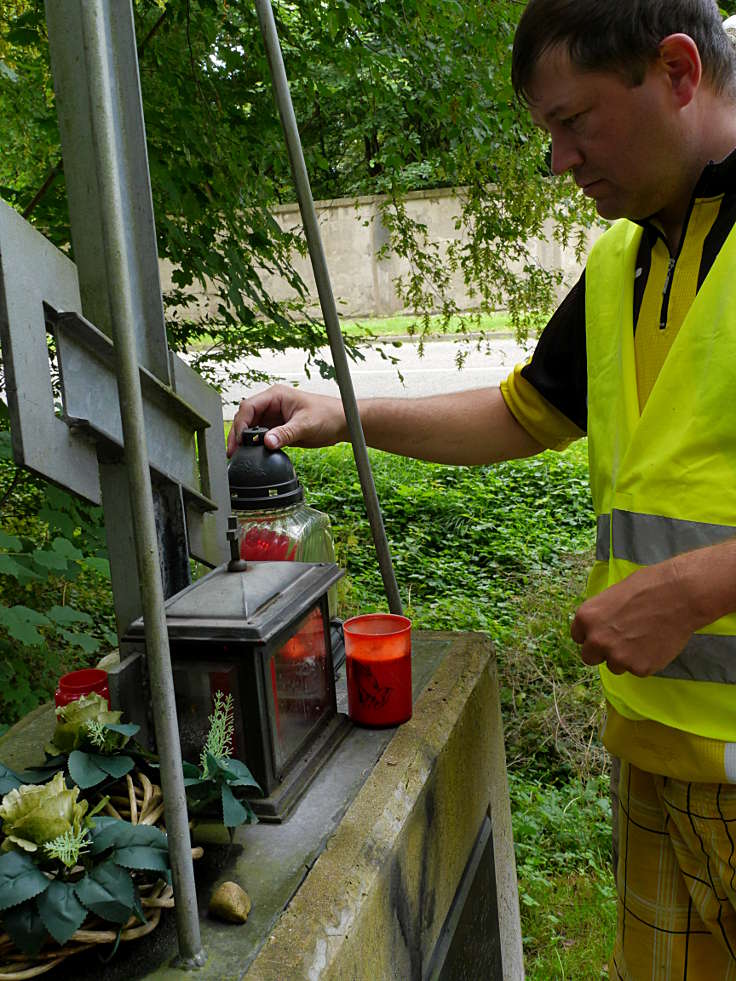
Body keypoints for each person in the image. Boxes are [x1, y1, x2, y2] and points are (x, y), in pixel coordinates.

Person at [228, 1, 736, 975]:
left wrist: (695, 588)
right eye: (547, 132)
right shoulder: (625, 258)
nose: (559, 161)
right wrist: (347, 413)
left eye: (573, 122)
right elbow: (522, 412)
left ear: (676, 71)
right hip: (655, 758)